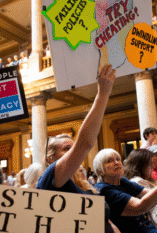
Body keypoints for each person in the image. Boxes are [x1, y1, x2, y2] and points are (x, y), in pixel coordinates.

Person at [37, 65, 118, 233]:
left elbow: (106, 222)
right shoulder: (51, 178)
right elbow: (85, 143)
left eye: (73, 148)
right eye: (66, 149)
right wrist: (103, 94)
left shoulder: (84, 184)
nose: (73, 153)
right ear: (50, 158)